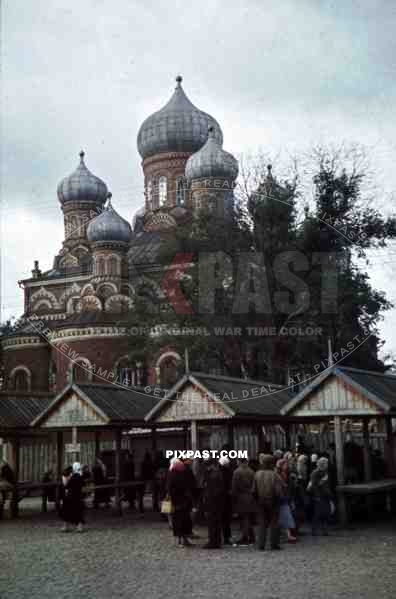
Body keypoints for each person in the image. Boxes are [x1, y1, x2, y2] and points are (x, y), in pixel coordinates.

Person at [253, 454, 282, 550]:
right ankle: (274, 544)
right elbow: (278, 491)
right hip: (273, 501)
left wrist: (256, 500)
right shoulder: (275, 475)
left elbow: (253, 490)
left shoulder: (257, 474)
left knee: (262, 523)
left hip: (260, 501)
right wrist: (279, 499)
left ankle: (261, 544)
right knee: (274, 523)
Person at [167, 458, 194, 547]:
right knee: (179, 521)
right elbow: (171, 489)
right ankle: (180, 540)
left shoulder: (180, 473)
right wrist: (174, 502)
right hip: (179, 502)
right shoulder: (173, 474)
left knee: (185, 521)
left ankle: (185, 539)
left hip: (184, 501)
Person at [202, 457, 226, 549]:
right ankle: (217, 541)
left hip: (212, 501)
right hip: (217, 501)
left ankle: (213, 541)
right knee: (216, 522)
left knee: (212, 522)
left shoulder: (212, 474)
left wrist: (207, 500)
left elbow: (211, 489)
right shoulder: (217, 472)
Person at [231, 458, 256, 545]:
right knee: (248, 517)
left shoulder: (237, 472)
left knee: (244, 518)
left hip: (241, 497)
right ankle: (251, 536)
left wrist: (233, 498)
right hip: (250, 496)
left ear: (239, 462)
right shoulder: (251, 471)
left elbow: (234, 486)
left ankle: (246, 536)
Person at [59, 462, 85, 532]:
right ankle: (79, 527)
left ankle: (65, 527)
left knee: (66, 511)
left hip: (71, 497)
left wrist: (67, 479)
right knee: (78, 512)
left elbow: (67, 486)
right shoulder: (80, 476)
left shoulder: (74, 477)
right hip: (78, 497)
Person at [276, 458, 297, 543]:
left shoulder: (287, 474)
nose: (287, 466)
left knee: (283, 516)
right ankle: (288, 535)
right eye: (285, 464)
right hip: (281, 498)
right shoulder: (279, 474)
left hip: (285, 498)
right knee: (284, 516)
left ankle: (287, 535)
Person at [310, 456, 331, 536]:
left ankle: (324, 530)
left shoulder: (325, 472)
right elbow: (314, 485)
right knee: (318, 514)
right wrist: (317, 496)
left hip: (325, 495)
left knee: (326, 513)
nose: (327, 464)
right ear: (323, 464)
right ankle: (314, 530)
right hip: (319, 496)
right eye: (326, 463)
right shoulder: (315, 472)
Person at [219, 456, 233, 545]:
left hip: (220, 499)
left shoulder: (218, 472)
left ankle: (220, 537)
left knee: (220, 519)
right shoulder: (229, 472)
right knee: (226, 520)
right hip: (227, 499)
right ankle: (227, 538)